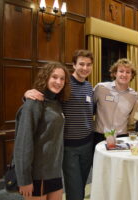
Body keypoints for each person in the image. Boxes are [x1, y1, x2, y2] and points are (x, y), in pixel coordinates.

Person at [24, 50, 94, 200]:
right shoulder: (65, 85)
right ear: (74, 65)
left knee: (81, 185)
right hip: (68, 146)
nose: (85, 68)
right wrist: (27, 95)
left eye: (88, 65)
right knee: (74, 188)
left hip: (87, 144)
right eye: (81, 64)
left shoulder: (89, 86)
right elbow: (44, 98)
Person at [14, 62, 70, 200]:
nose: (58, 82)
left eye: (62, 78)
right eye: (54, 77)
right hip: (37, 175)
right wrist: (24, 179)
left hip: (55, 172)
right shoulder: (34, 102)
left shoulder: (56, 102)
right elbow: (22, 143)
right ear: (45, 77)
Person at [93, 58, 138, 144]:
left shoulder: (134, 96)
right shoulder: (101, 88)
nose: (124, 74)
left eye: (128, 72)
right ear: (115, 73)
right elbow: (91, 109)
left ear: (132, 75)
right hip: (99, 136)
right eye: (121, 71)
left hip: (121, 137)